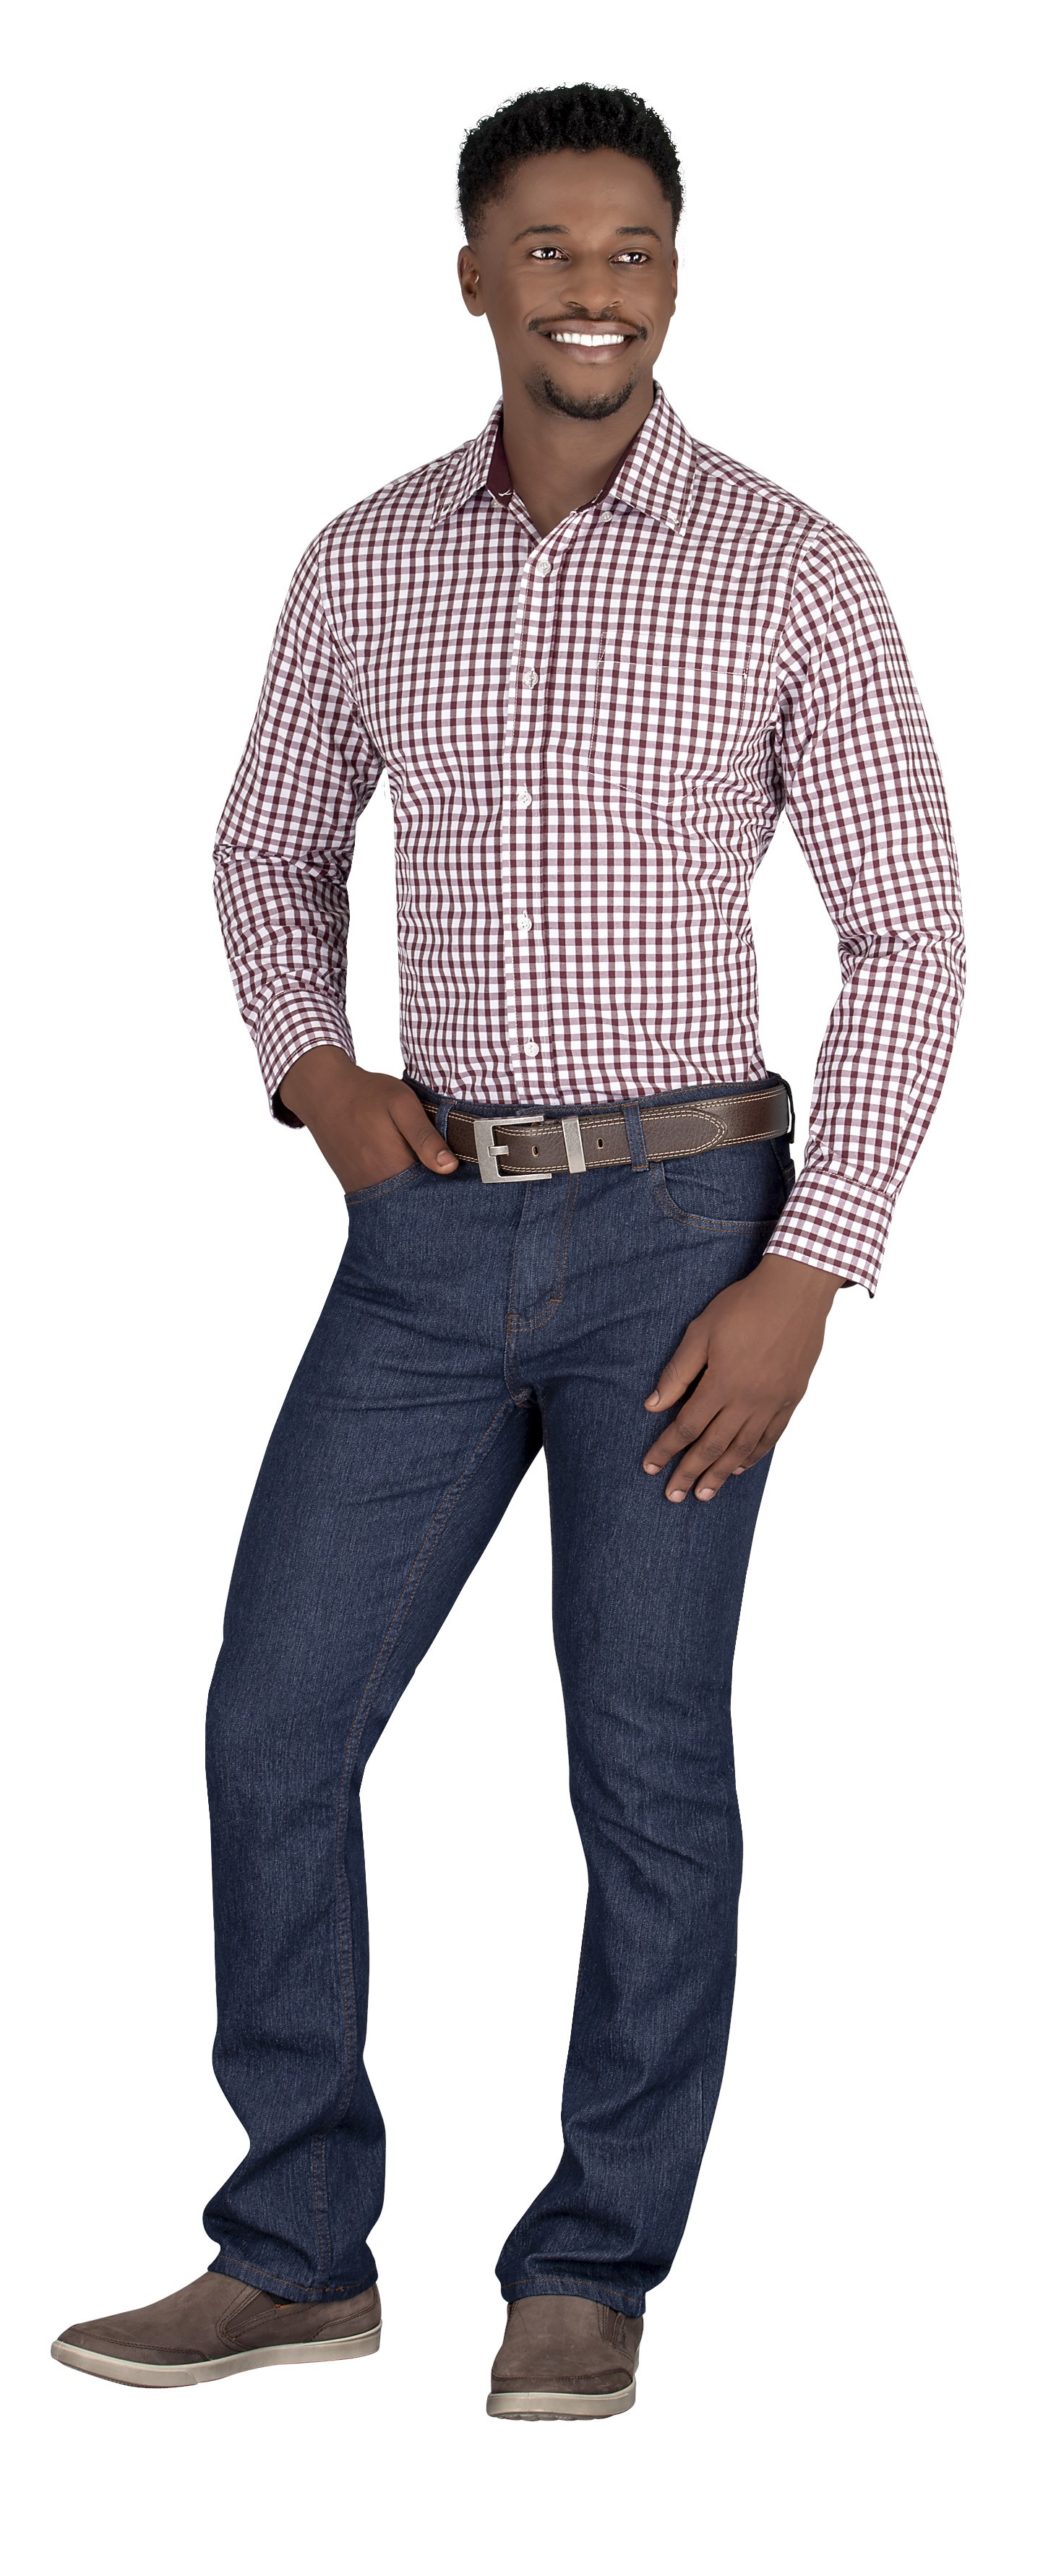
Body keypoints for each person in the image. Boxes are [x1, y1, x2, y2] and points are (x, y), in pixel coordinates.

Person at [51, 81, 965, 2414]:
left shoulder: (793, 566)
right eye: (550, 246)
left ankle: (591, 2266)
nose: (594, 288)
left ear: (676, 276)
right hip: (428, 1241)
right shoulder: (368, 559)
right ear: (473, 272)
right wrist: (312, 1069)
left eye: (635, 248)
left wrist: (809, 1270)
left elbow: (914, 937)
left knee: (644, 1757)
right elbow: (264, 845)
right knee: (274, 1719)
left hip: (688, 1240)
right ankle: (295, 2244)